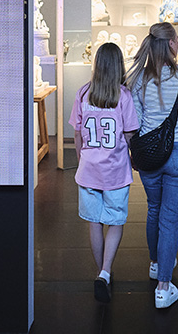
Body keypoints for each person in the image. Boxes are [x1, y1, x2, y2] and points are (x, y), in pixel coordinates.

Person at [125, 22, 178, 309]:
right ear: (170, 44)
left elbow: (134, 122)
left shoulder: (139, 79)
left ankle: (156, 264)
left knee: (154, 209)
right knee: (170, 219)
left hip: (150, 155)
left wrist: (134, 153)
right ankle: (163, 287)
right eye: (177, 39)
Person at [69, 42, 140, 304]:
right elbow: (130, 134)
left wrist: (82, 159)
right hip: (115, 171)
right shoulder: (124, 96)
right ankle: (106, 272)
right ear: (119, 65)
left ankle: (101, 273)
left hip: (89, 169)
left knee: (94, 222)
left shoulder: (83, 93)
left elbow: (77, 133)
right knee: (116, 222)